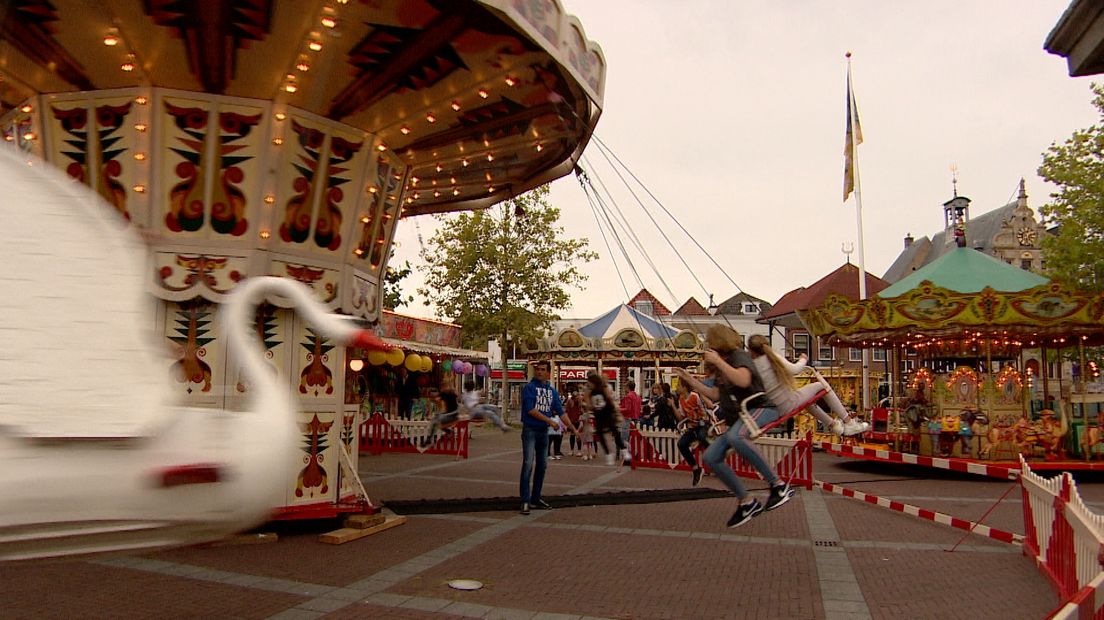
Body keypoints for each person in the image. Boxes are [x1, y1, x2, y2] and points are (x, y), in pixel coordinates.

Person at [673, 325, 795, 528]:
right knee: (710, 457)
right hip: (742, 415)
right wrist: (689, 380)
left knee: (737, 437)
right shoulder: (724, 366)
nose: (709, 347)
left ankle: (778, 485)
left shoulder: (740, 356)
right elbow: (714, 395)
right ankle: (746, 501)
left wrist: (718, 362)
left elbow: (744, 380)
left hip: (760, 408)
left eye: (711, 343)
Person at [745, 334, 869, 436]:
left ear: (750, 350)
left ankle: (834, 425)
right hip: (788, 403)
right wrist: (803, 359)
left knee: (809, 400)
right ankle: (848, 422)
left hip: (774, 407)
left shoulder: (752, 366)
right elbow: (795, 370)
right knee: (821, 386)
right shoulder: (772, 358)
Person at [519, 361, 564, 515]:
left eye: (543, 370)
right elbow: (530, 409)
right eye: (537, 369)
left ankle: (536, 497)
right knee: (528, 463)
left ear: (548, 373)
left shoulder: (551, 391)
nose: (539, 372)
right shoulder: (529, 388)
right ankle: (525, 500)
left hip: (543, 432)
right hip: (531, 429)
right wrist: (549, 421)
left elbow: (560, 411)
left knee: (542, 465)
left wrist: (573, 428)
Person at [584, 371, 630, 465]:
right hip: (599, 415)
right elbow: (588, 405)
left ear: (594, 382)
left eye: (589, 382)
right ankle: (608, 454)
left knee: (615, 432)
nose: (588, 384)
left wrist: (617, 413)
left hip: (608, 413)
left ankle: (624, 450)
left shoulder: (602, 389)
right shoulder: (590, 393)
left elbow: (610, 399)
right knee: (600, 434)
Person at [674, 380, 712, 486]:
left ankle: (713, 455)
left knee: (702, 436)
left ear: (685, 387)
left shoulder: (695, 396)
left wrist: (702, 419)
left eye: (678, 385)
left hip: (702, 424)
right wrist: (673, 406)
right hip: (692, 426)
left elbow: (704, 409)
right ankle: (696, 468)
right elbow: (682, 416)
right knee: (681, 444)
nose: (677, 387)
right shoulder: (681, 400)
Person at [619, 380, 642, 447]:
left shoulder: (628, 396)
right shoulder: (638, 397)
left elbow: (627, 409)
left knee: (624, 439)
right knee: (634, 440)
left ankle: (624, 455)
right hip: (636, 419)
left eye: (625, 387)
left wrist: (618, 409)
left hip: (628, 419)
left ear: (628, 387)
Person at [564, 386, 585, 456]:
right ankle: (571, 450)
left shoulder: (580, 402)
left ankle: (579, 450)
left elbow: (582, 411)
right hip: (571, 420)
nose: (576, 398)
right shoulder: (569, 401)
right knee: (572, 435)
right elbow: (566, 411)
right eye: (575, 397)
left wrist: (581, 420)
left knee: (578, 435)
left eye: (577, 397)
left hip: (578, 420)